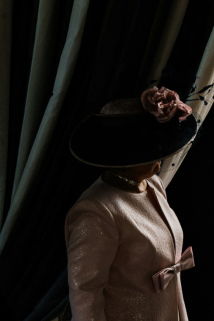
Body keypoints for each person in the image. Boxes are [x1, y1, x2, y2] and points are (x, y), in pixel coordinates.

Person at [66, 86, 196, 320]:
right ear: (122, 157)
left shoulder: (153, 185)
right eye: (148, 149)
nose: (161, 154)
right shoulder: (95, 213)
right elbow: (85, 292)